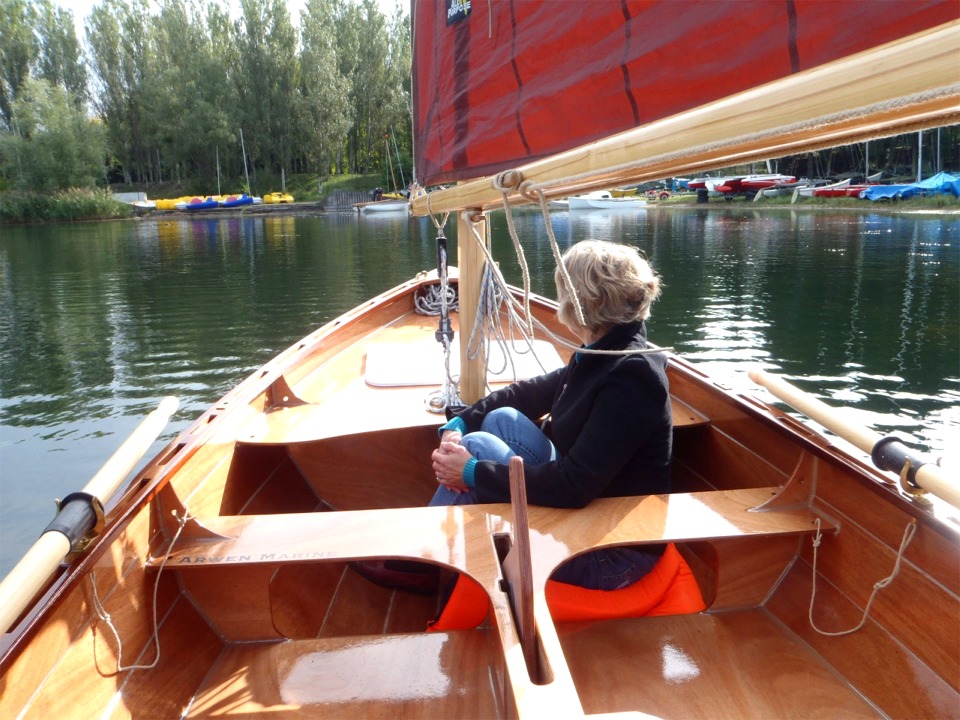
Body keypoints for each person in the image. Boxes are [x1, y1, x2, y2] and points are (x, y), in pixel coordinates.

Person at [429, 239, 671, 590]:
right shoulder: (604, 351)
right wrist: (461, 420)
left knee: (477, 447)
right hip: (588, 514)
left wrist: (471, 471)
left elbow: (573, 486)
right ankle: (441, 547)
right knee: (502, 419)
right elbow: (527, 393)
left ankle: (427, 558)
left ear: (581, 302)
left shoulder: (632, 377)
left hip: (612, 552)